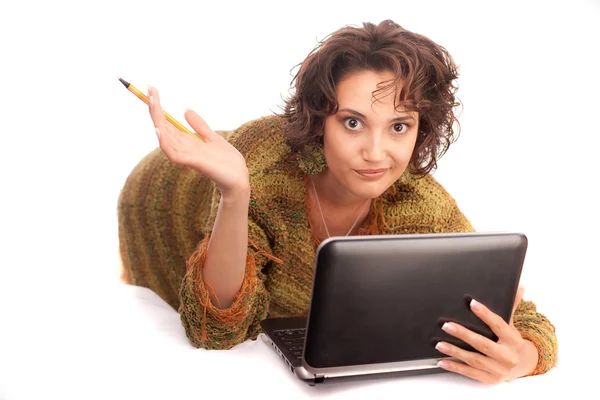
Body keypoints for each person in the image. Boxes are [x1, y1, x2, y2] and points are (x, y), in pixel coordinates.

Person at [117, 20, 558, 384]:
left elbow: (524, 320)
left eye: (399, 127)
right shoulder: (263, 171)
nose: (376, 152)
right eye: (352, 122)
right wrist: (235, 193)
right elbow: (214, 330)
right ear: (318, 120)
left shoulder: (418, 200)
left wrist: (522, 358)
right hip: (164, 199)